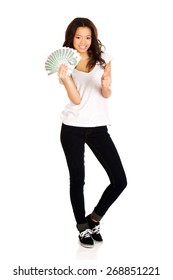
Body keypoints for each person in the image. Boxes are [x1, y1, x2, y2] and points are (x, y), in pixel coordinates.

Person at [57, 17, 127, 248]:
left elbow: (106, 94)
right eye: (78, 37)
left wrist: (106, 86)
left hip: (98, 128)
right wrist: (66, 79)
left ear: (93, 38)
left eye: (87, 37)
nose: (83, 42)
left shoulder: (104, 60)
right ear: (71, 38)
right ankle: (82, 228)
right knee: (78, 180)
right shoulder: (65, 62)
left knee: (119, 181)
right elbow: (76, 99)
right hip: (72, 128)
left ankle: (93, 219)